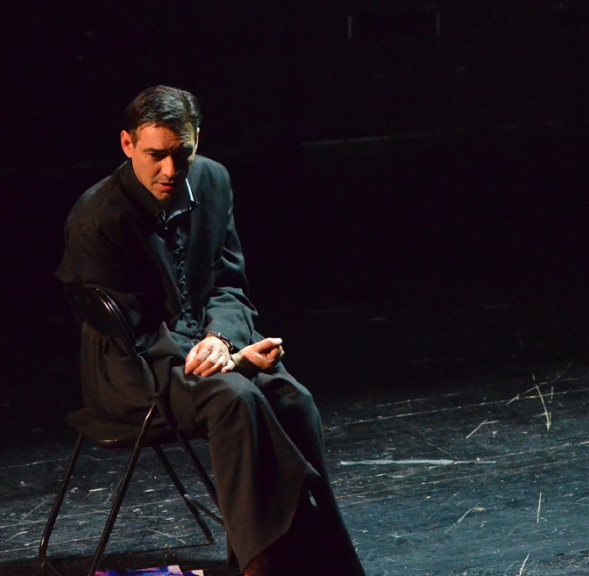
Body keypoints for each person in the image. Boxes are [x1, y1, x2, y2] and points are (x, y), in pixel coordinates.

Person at [57, 85, 365, 575]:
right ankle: (259, 564)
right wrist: (232, 361)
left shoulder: (213, 180)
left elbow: (229, 283)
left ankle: (326, 559)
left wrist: (224, 341)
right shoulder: (96, 219)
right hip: (133, 372)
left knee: (292, 398)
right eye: (155, 155)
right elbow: (130, 334)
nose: (170, 170)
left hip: (209, 350)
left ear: (196, 139)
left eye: (181, 153)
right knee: (235, 399)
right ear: (127, 144)